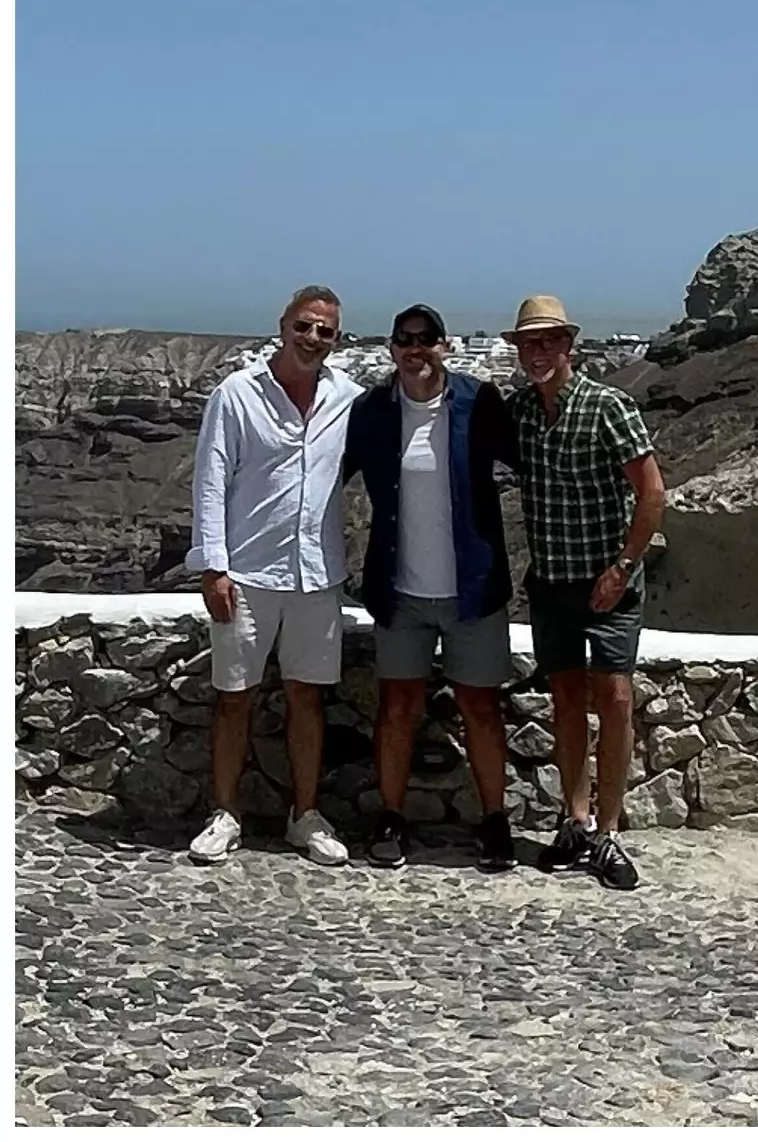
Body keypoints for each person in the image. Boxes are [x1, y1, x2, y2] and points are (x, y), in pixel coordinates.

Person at [186, 285, 362, 865]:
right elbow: (210, 481)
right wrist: (213, 567)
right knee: (234, 697)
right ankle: (225, 813)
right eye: (305, 326)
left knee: (307, 698)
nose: (313, 339)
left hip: (317, 575)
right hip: (249, 572)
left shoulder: (348, 400)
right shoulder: (237, 394)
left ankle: (304, 815)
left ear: (337, 339)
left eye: (326, 331)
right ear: (283, 326)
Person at [342, 304, 519, 871]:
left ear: (445, 345)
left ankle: (495, 820)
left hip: (472, 588)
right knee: (397, 708)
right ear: (391, 348)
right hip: (401, 591)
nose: (416, 349)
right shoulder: (371, 411)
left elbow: (532, 460)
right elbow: (323, 477)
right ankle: (391, 818)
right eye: (405, 340)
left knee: (482, 708)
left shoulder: (478, 402)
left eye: (427, 339)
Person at [503, 295, 664, 891]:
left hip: (608, 583)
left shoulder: (607, 407)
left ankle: (610, 830)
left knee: (615, 697)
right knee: (566, 698)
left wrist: (624, 564)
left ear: (569, 345)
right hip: (551, 581)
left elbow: (651, 490)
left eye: (548, 341)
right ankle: (573, 818)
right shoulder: (519, 411)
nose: (538, 352)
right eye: (528, 343)